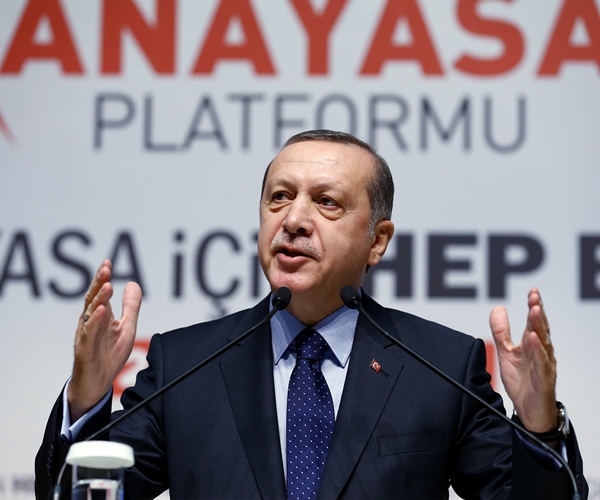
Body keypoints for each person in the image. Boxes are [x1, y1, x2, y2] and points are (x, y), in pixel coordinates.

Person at [36, 130, 587, 499]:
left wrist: (539, 426)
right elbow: (74, 495)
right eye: (279, 197)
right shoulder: (184, 365)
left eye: (327, 202)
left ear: (378, 241)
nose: (294, 219)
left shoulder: (440, 366)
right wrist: (86, 401)